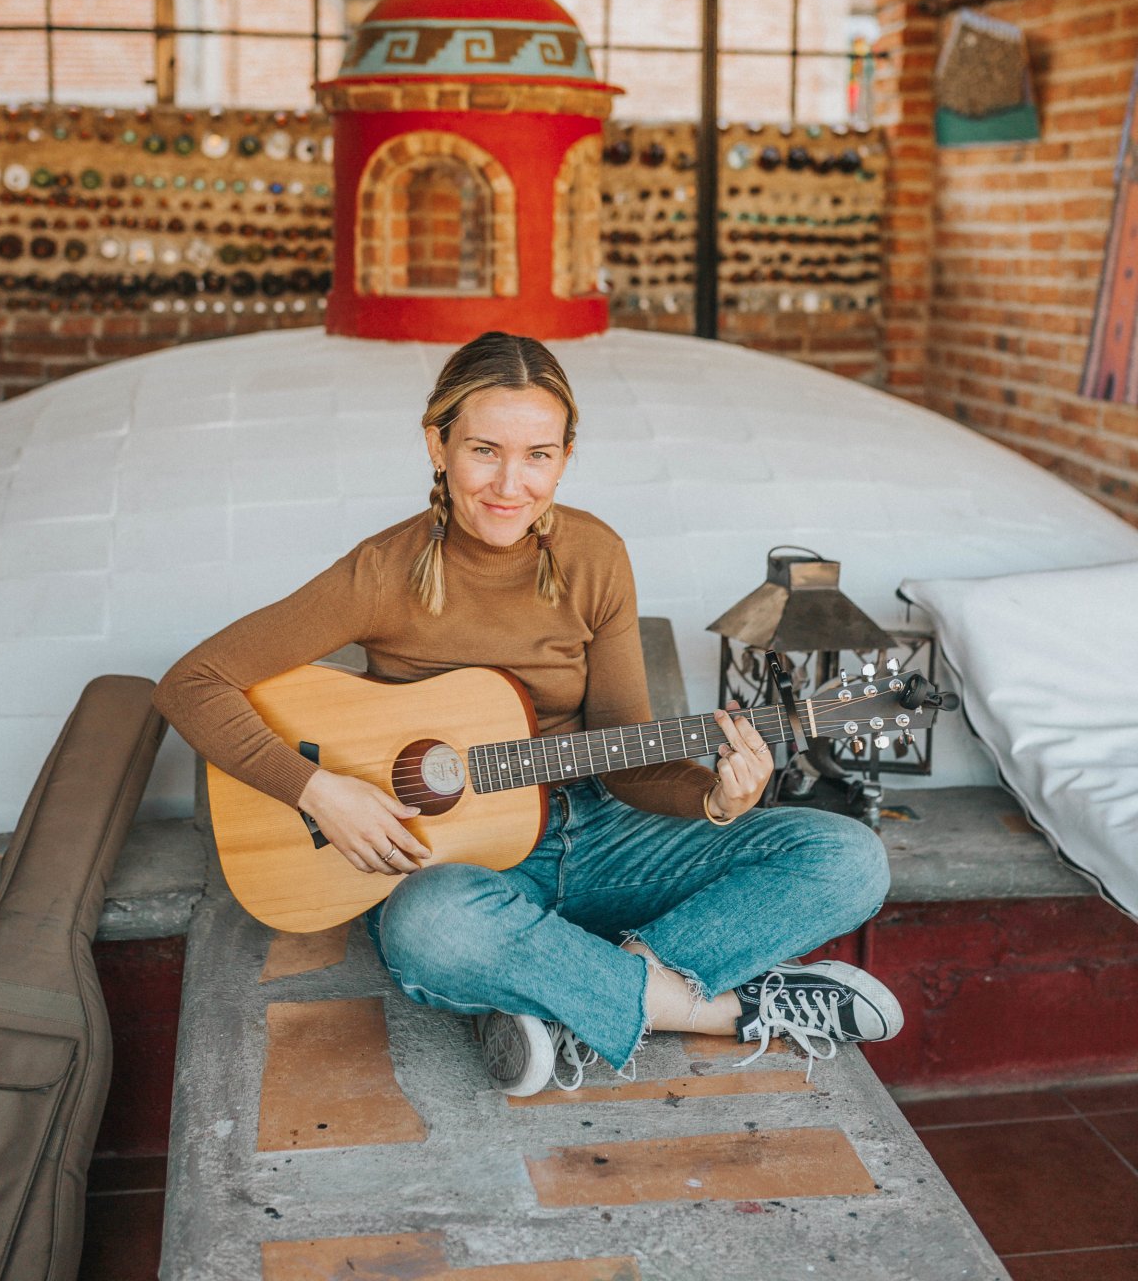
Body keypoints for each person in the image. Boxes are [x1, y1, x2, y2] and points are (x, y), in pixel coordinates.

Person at [155, 330, 900, 1096]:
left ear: (566, 457)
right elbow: (191, 683)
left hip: (602, 833)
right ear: (437, 445)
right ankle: (719, 1010)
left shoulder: (594, 557)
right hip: (459, 861)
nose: (511, 483)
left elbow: (628, 755)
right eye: (484, 450)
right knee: (432, 927)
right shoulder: (380, 572)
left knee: (848, 858)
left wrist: (713, 799)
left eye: (538, 455)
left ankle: (568, 990)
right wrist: (318, 791)